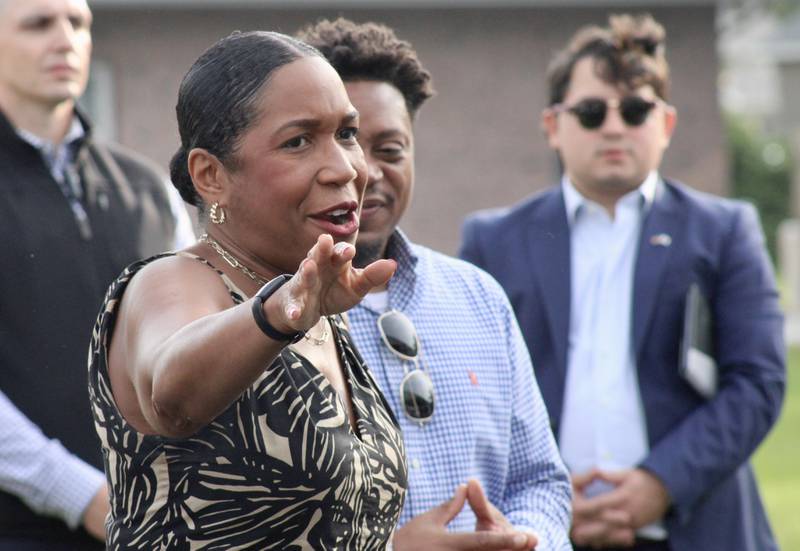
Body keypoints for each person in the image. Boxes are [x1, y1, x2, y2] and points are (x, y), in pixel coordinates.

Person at [460, 13, 785, 551]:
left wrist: (659, 483)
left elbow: (758, 381)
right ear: (552, 126)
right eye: (590, 112)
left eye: (635, 109)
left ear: (666, 124)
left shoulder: (725, 232)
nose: (613, 127)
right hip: (544, 532)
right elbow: (474, 391)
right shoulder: (493, 241)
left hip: (698, 529)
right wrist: (553, 495)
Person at [88, 30, 408, 549]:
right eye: (299, 141)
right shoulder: (173, 282)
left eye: (346, 133)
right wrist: (277, 314)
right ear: (211, 175)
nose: (346, 167)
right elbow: (172, 395)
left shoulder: (319, 305)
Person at [299, 18, 572, 551]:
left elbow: (540, 479)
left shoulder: (479, 298)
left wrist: (521, 540)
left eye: (391, 149)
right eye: (347, 144)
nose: (366, 172)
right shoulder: (266, 317)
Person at [0, 0, 192, 548]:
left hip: (161, 524)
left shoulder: (149, 189)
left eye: (78, 24)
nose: (65, 39)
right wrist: (82, 495)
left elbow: (190, 347)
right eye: (38, 24)